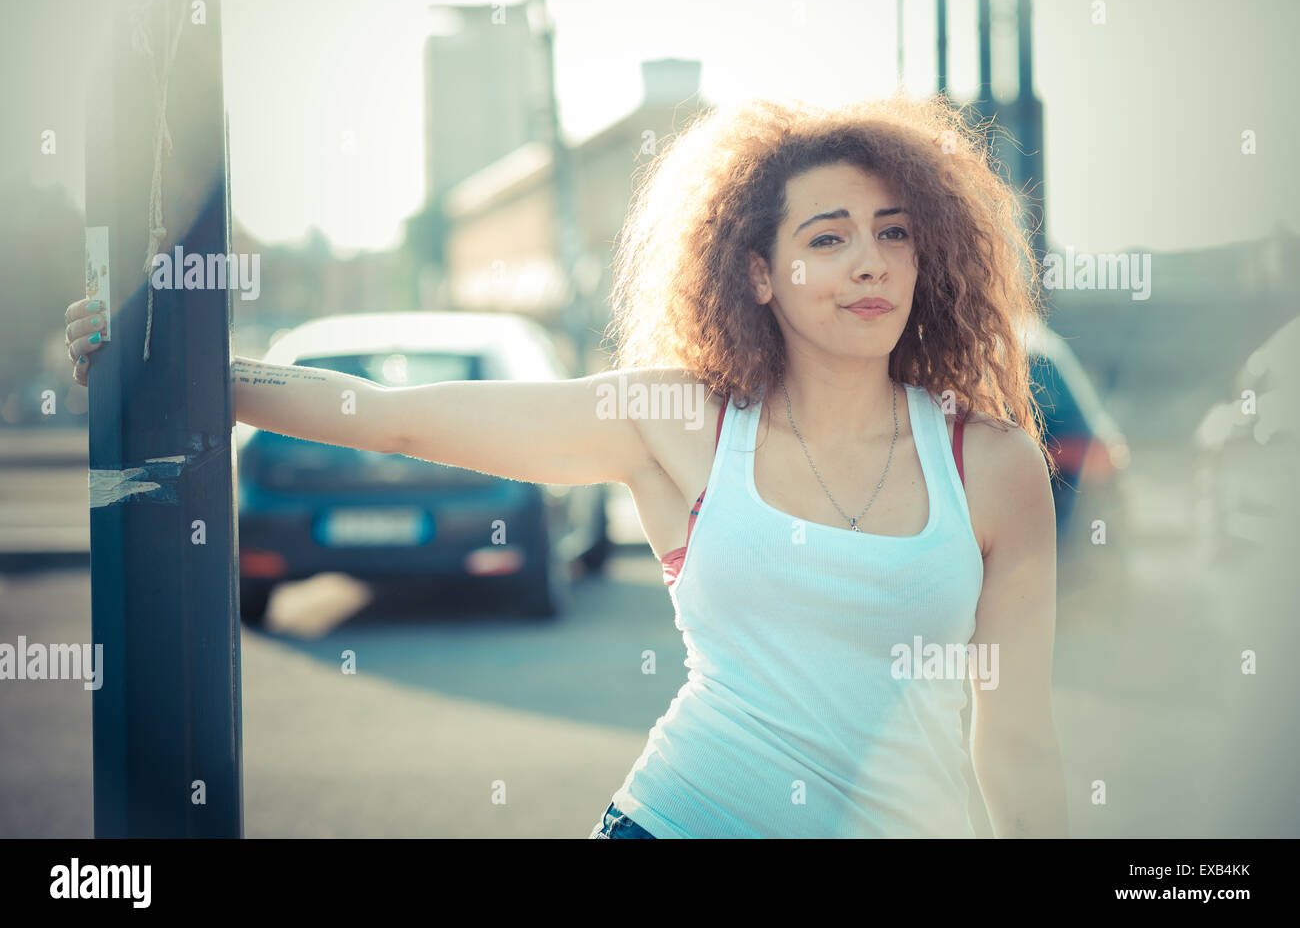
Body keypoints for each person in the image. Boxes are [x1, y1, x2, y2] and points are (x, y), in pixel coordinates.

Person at [64, 93, 1067, 839]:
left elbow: (1013, 743)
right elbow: (395, 419)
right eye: (828, 236)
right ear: (757, 274)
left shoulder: (990, 463)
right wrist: (177, 359)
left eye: (894, 234)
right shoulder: (681, 420)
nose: (868, 263)